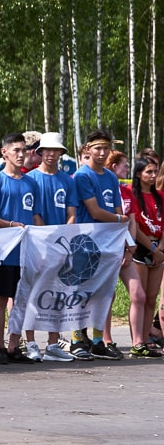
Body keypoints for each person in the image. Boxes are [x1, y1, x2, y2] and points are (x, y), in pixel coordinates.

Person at [72, 131, 147, 359]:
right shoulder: (82, 176)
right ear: (88, 149)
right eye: (97, 148)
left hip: (109, 241)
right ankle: (77, 339)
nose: (102, 152)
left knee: (103, 292)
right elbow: (95, 211)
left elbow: (118, 209)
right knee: (82, 291)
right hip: (87, 241)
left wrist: (125, 241)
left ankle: (98, 341)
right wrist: (119, 220)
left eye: (106, 148)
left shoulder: (111, 178)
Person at [23, 132, 81, 362]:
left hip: (61, 247)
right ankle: (30, 343)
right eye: (47, 150)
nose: (51, 154)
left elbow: (71, 214)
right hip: (36, 245)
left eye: (55, 150)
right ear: (40, 152)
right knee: (32, 293)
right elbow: (34, 214)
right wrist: (47, 239)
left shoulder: (67, 180)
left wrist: (64, 239)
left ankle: (53, 344)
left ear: (60, 153)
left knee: (57, 294)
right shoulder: (30, 179)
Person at [0, 133, 40, 364]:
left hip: (26, 252)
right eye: (16, 150)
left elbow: (36, 216)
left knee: (21, 299)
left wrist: (45, 239)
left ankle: (14, 345)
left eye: (23, 150)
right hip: (4, 252)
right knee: (0, 299)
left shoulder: (31, 183)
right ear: (4, 152)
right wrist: (9, 225)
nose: (20, 154)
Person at [125, 157, 164, 354]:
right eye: (149, 171)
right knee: (138, 297)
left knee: (151, 298)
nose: (153, 175)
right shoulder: (132, 194)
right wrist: (152, 249)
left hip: (159, 249)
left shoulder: (160, 196)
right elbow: (136, 227)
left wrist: (160, 249)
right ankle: (137, 340)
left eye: (155, 171)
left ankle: (147, 337)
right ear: (139, 173)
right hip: (141, 248)